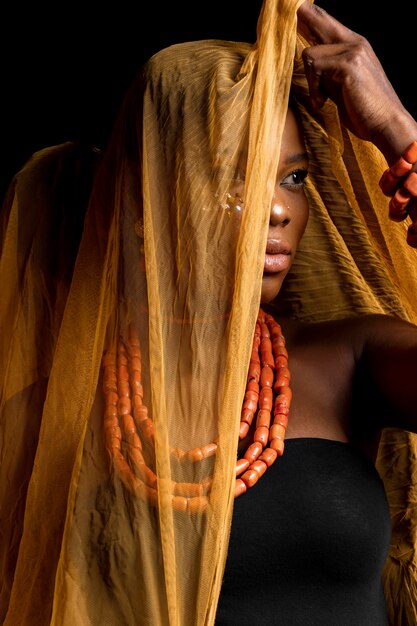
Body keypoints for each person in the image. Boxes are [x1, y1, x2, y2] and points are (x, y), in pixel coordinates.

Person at [1, 0, 417, 624]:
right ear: (147, 199)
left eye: (294, 179)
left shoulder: (351, 361)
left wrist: (399, 135)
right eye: (237, 176)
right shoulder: (52, 413)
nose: (278, 210)